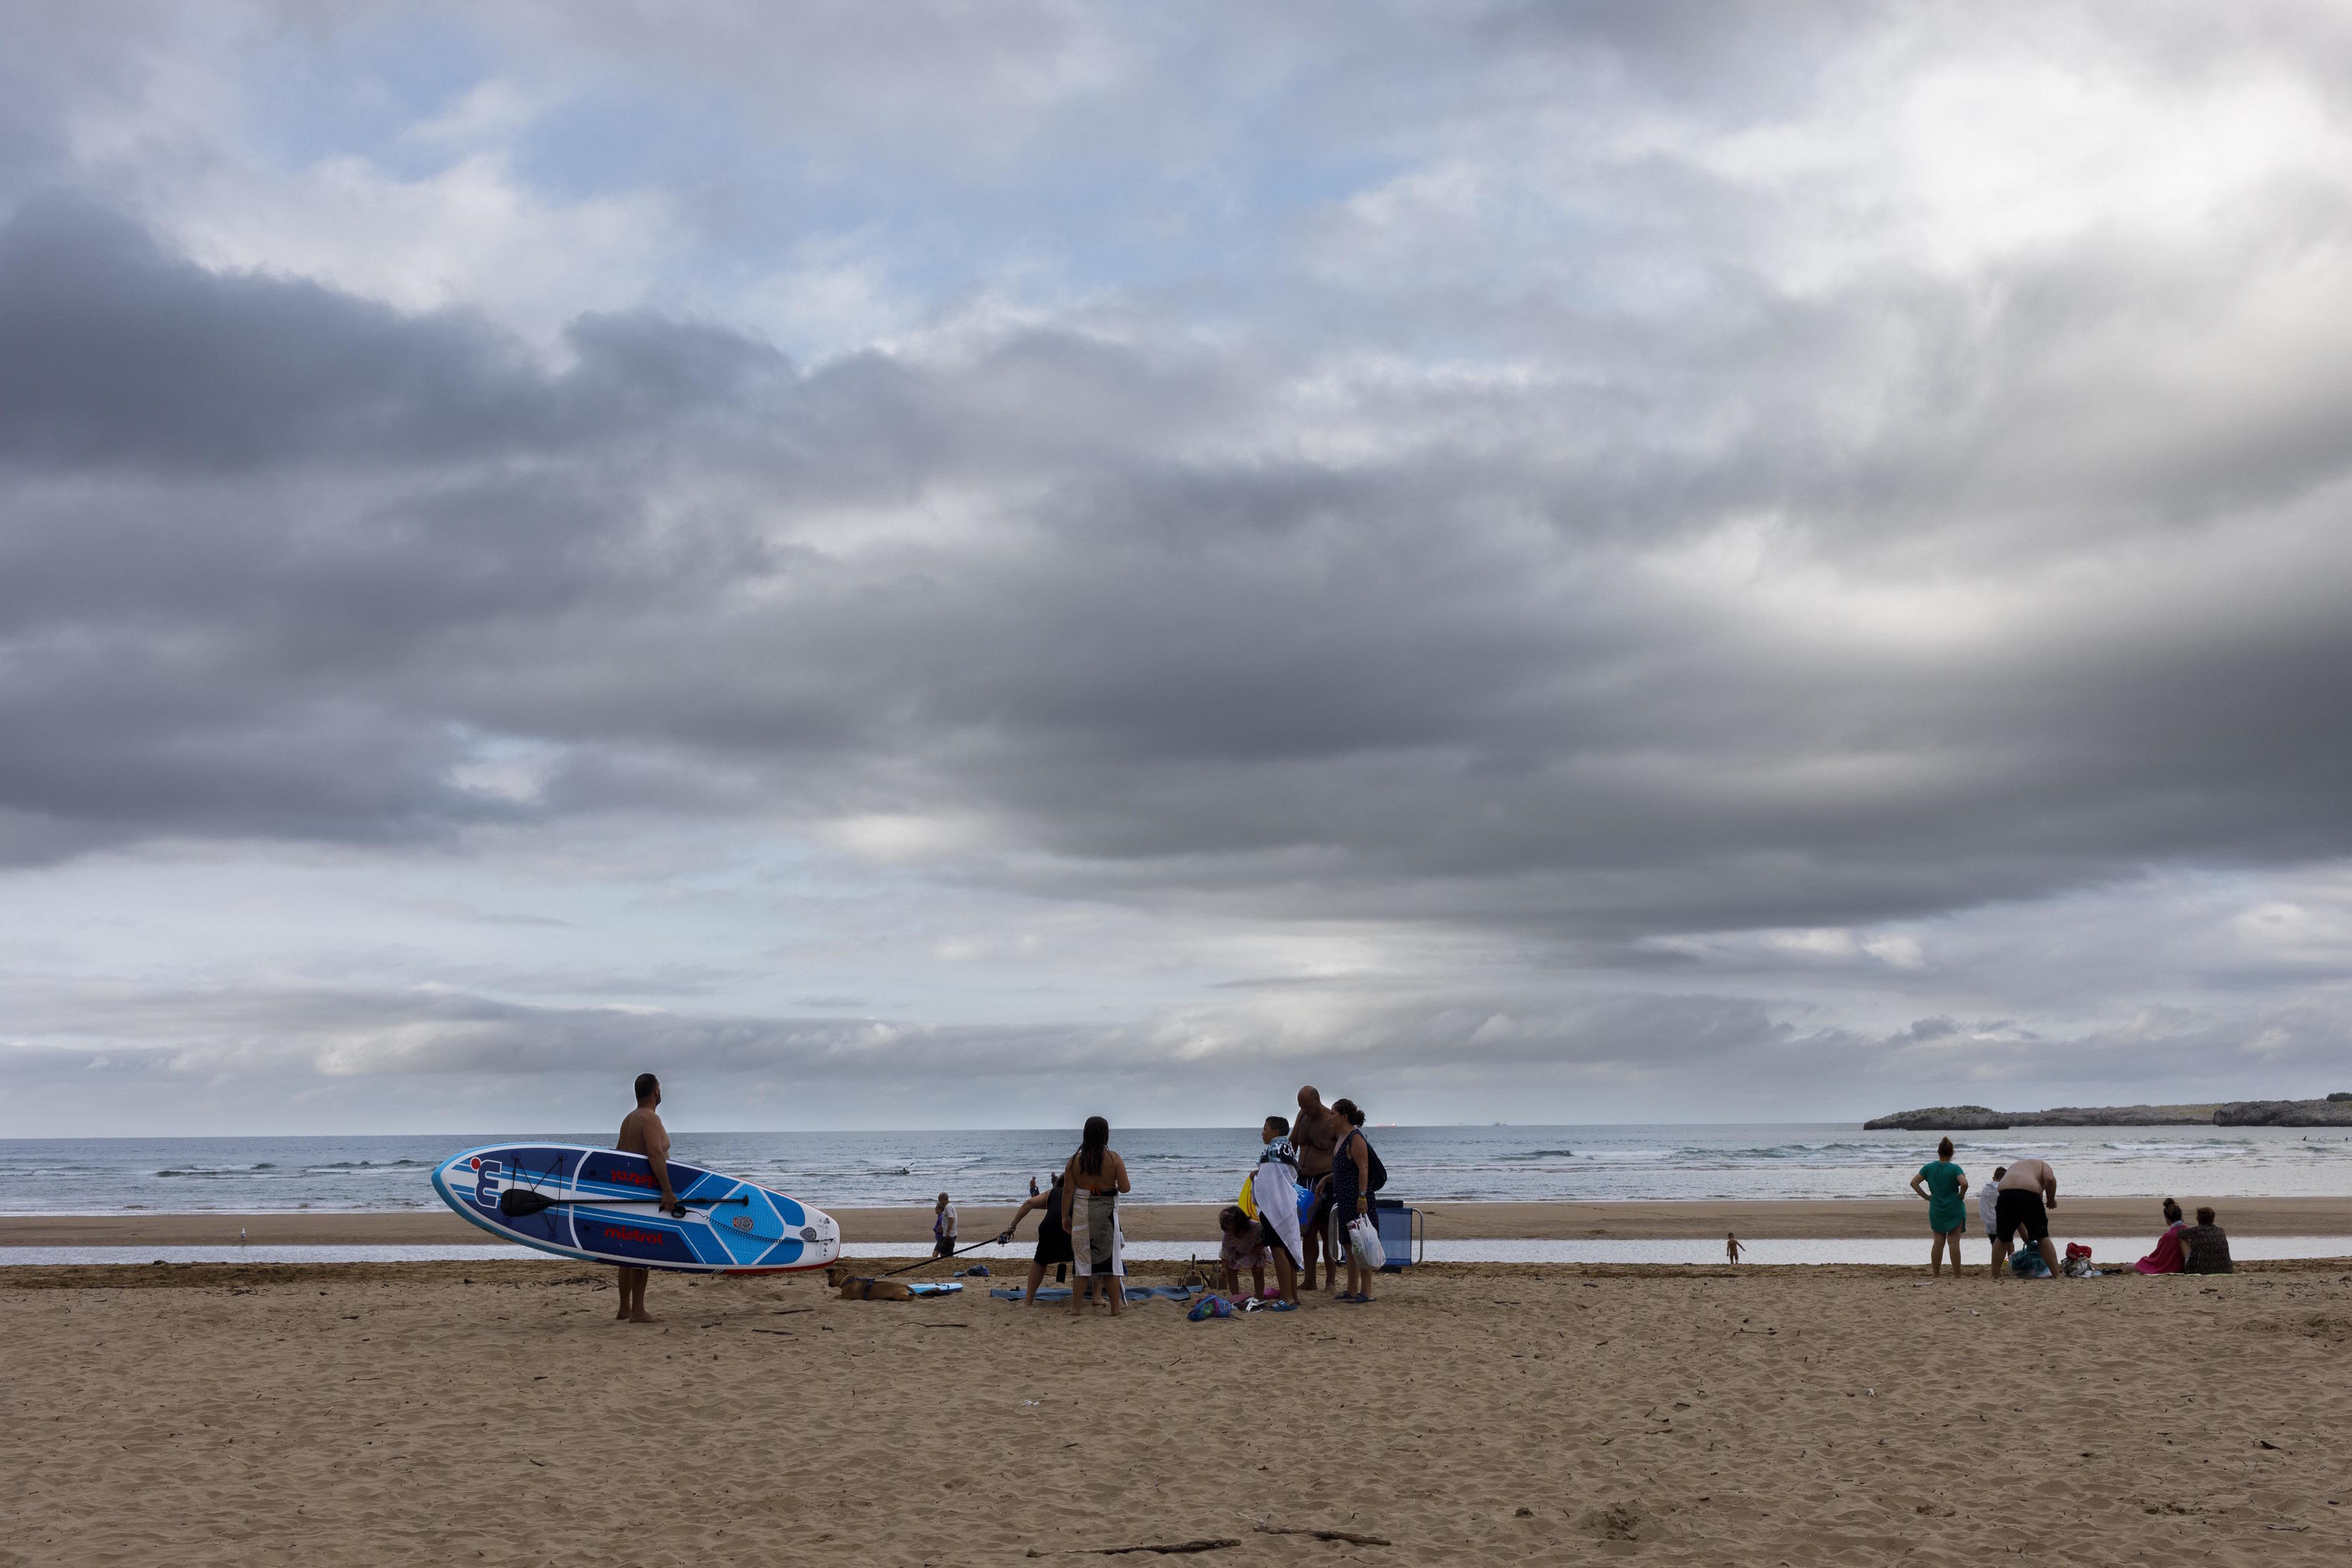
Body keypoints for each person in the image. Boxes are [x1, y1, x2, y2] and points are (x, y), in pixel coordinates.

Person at [613, 1073, 683, 1325]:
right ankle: (639, 1311)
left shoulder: (629, 1119)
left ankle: (624, 1308)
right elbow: (655, 1153)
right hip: (646, 1193)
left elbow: (620, 1154)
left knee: (626, 1253)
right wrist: (667, 1190)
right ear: (655, 1091)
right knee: (641, 1250)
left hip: (630, 1192)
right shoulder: (651, 1119)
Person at [1061, 1116, 1131, 1316]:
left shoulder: (1074, 1161)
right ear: (1105, 1135)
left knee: (1082, 1263)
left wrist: (1065, 1216)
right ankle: (1115, 1309)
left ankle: (1076, 1309)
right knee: (1110, 1263)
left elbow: (1067, 1191)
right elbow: (1125, 1188)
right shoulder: (1114, 1159)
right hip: (1107, 1214)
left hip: (1082, 1214)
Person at [1328, 1098, 1378, 1302]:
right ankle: (1351, 1289)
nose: (1330, 1117)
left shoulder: (1355, 1137)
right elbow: (1342, 1170)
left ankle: (1366, 1291)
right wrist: (1325, 1180)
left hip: (1357, 1199)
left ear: (1344, 1116)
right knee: (1349, 1244)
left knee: (1362, 1244)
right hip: (1345, 1199)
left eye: (1333, 1113)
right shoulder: (1340, 1138)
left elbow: (1363, 1168)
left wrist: (1362, 1196)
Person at [1292, 1086, 1344, 1289]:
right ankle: (1309, 1280)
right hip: (1303, 1179)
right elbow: (1293, 1143)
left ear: (1317, 1100)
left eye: (1307, 1105)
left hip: (1325, 1180)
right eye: (1301, 1106)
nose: (1304, 1109)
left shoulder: (1330, 1120)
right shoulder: (1302, 1116)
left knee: (1326, 1229)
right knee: (1308, 1231)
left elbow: (1343, 1151)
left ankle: (1330, 1281)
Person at [1250, 1115, 1304, 1307]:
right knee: (1288, 1252)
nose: (1262, 1132)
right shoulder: (1287, 1148)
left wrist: (1255, 1179)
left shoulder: (1273, 1149)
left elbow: (1268, 1183)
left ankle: (1286, 1298)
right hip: (1288, 1204)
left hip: (1275, 1209)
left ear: (1276, 1132)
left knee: (1279, 1251)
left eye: (1265, 1129)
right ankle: (1294, 1296)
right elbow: (1280, 1177)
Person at [998, 1171, 1072, 1305]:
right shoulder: (1080, 1193)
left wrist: (1012, 1227)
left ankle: (1028, 1301)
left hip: (1048, 1227)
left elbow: (1029, 1203)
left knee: (1040, 1262)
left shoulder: (1052, 1193)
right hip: (1071, 1226)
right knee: (1084, 1260)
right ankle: (1091, 1297)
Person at [1992, 1156, 2060, 1283]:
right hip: (2028, 1193)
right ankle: (2057, 1275)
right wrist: (2051, 1200)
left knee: (2002, 1238)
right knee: (2042, 1237)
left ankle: (1994, 1276)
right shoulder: (2043, 1165)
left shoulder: (2017, 1166)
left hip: (2004, 1193)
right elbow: (2050, 1179)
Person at [1909, 1137, 1970, 1279]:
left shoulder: (1929, 1167)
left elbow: (1914, 1183)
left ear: (1939, 1152)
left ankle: (1936, 1275)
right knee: (1954, 1242)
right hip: (1954, 1207)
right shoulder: (1955, 1168)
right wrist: (1961, 1194)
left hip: (1937, 1207)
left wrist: (1927, 1197)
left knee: (1938, 1242)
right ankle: (1957, 1275)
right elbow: (1965, 1183)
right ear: (1952, 1153)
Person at [1217, 1204, 1271, 1298]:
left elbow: (1268, 1238)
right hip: (1237, 1253)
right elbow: (1226, 1251)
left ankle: (1259, 1296)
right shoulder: (1227, 1235)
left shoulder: (1256, 1227)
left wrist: (1260, 1246)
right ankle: (1235, 1296)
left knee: (1258, 1271)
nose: (1230, 1231)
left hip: (1255, 1251)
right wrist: (1224, 1268)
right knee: (1230, 1271)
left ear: (1240, 1223)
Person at [2135, 1199, 2187, 1275]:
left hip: (2168, 1268)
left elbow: (2157, 1257)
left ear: (2167, 1219)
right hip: (2180, 1267)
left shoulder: (2168, 1236)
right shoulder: (2189, 1231)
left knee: (2133, 1266)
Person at [2180, 1206, 2234, 1275]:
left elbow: (2179, 1234)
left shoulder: (2196, 1231)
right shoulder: (2220, 1230)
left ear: (2198, 1219)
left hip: (2201, 1270)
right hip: (2226, 1269)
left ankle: (2181, 1265)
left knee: (2183, 1240)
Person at [1976, 1165, 2006, 1249]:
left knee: (1994, 1245)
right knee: (2008, 1243)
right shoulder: (2004, 1189)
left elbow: (1983, 1205)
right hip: (2002, 1223)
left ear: (1993, 1178)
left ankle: (1996, 1261)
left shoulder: (1986, 1188)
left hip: (1989, 1224)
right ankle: (2009, 1260)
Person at [932, 1191, 959, 1259]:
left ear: (943, 1199)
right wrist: (942, 1226)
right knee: (945, 1253)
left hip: (949, 1235)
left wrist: (948, 1233)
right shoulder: (951, 1206)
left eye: (940, 1200)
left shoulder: (948, 1207)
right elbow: (949, 1220)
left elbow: (951, 1219)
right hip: (952, 1233)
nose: (940, 1202)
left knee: (945, 1254)